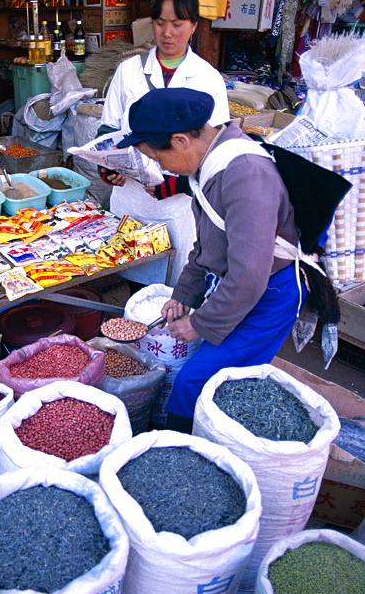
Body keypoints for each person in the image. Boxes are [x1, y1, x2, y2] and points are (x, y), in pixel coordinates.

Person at [116, 87, 303, 434]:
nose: (161, 169)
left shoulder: (246, 175)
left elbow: (249, 274)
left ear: (181, 140)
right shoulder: (206, 166)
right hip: (236, 285)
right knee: (212, 382)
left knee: (195, 383)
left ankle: (183, 448)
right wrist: (184, 294)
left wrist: (200, 323)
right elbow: (208, 246)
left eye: (158, 159)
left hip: (268, 294)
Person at [98, 0, 230, 228]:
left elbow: (215, 147)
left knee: (176, 266)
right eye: (160, 23)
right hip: (130, 199)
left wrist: (181, 183)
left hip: (178, 208)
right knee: (122, 261)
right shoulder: (129, 70)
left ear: (193, 26)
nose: (167, 33)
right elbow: (108, 127)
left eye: (177, 24)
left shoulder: (207, 77)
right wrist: (108, 167)